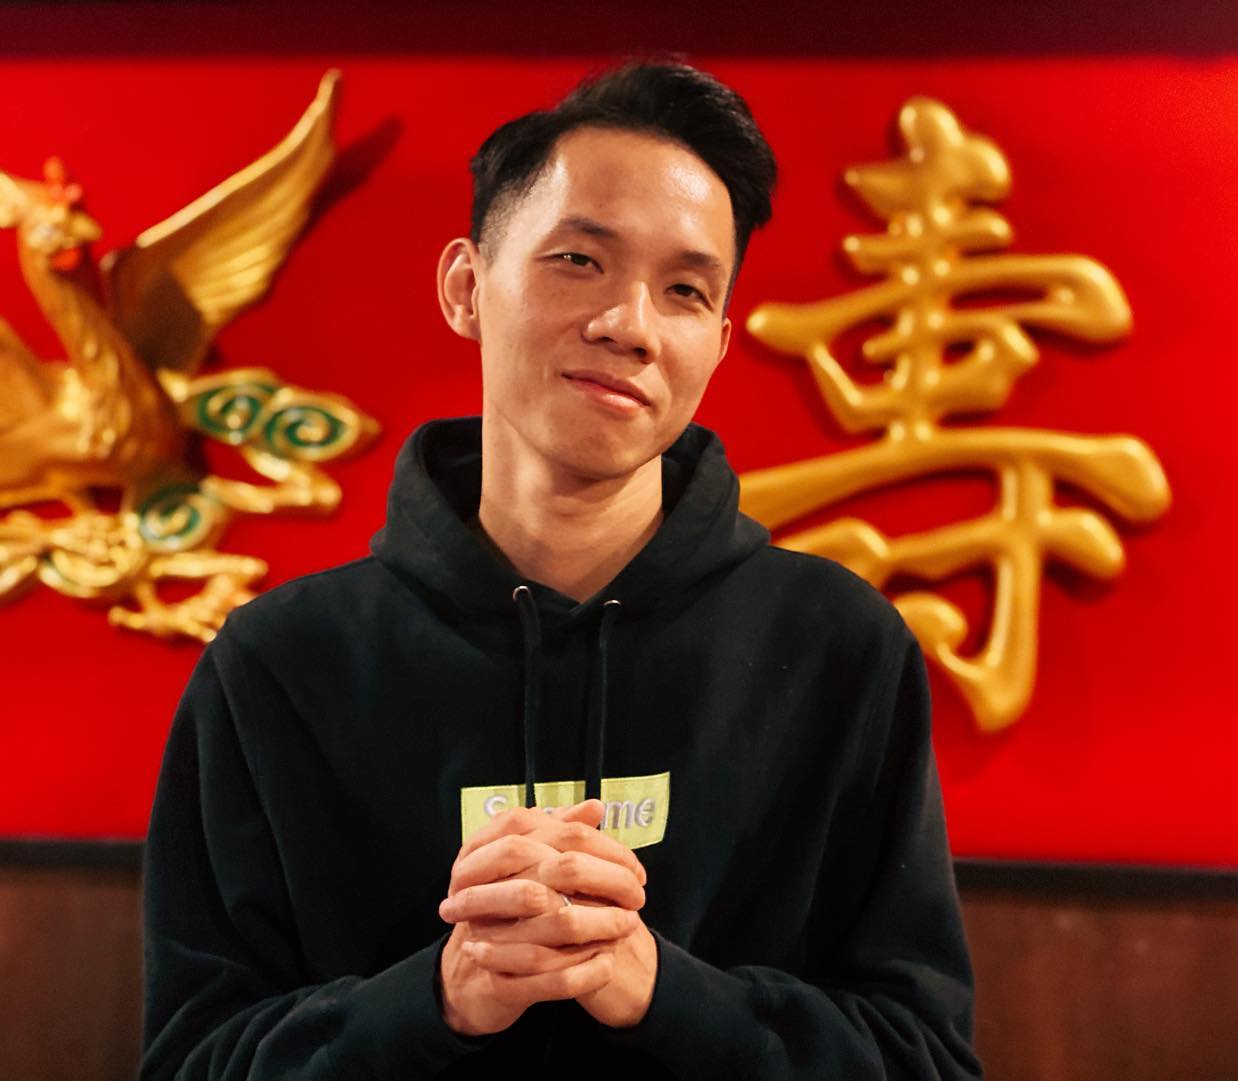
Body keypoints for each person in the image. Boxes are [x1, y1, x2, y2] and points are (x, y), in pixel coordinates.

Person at [140, 61, 983, 1080]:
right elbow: (191, 1059)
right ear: (466, 287)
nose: (630, 324)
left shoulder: (836, 648)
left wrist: (664, 991)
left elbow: (926, 1058)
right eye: (580, 260)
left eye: (684, 290)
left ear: (717, 343)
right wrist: (439, 998)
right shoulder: (278, 665)